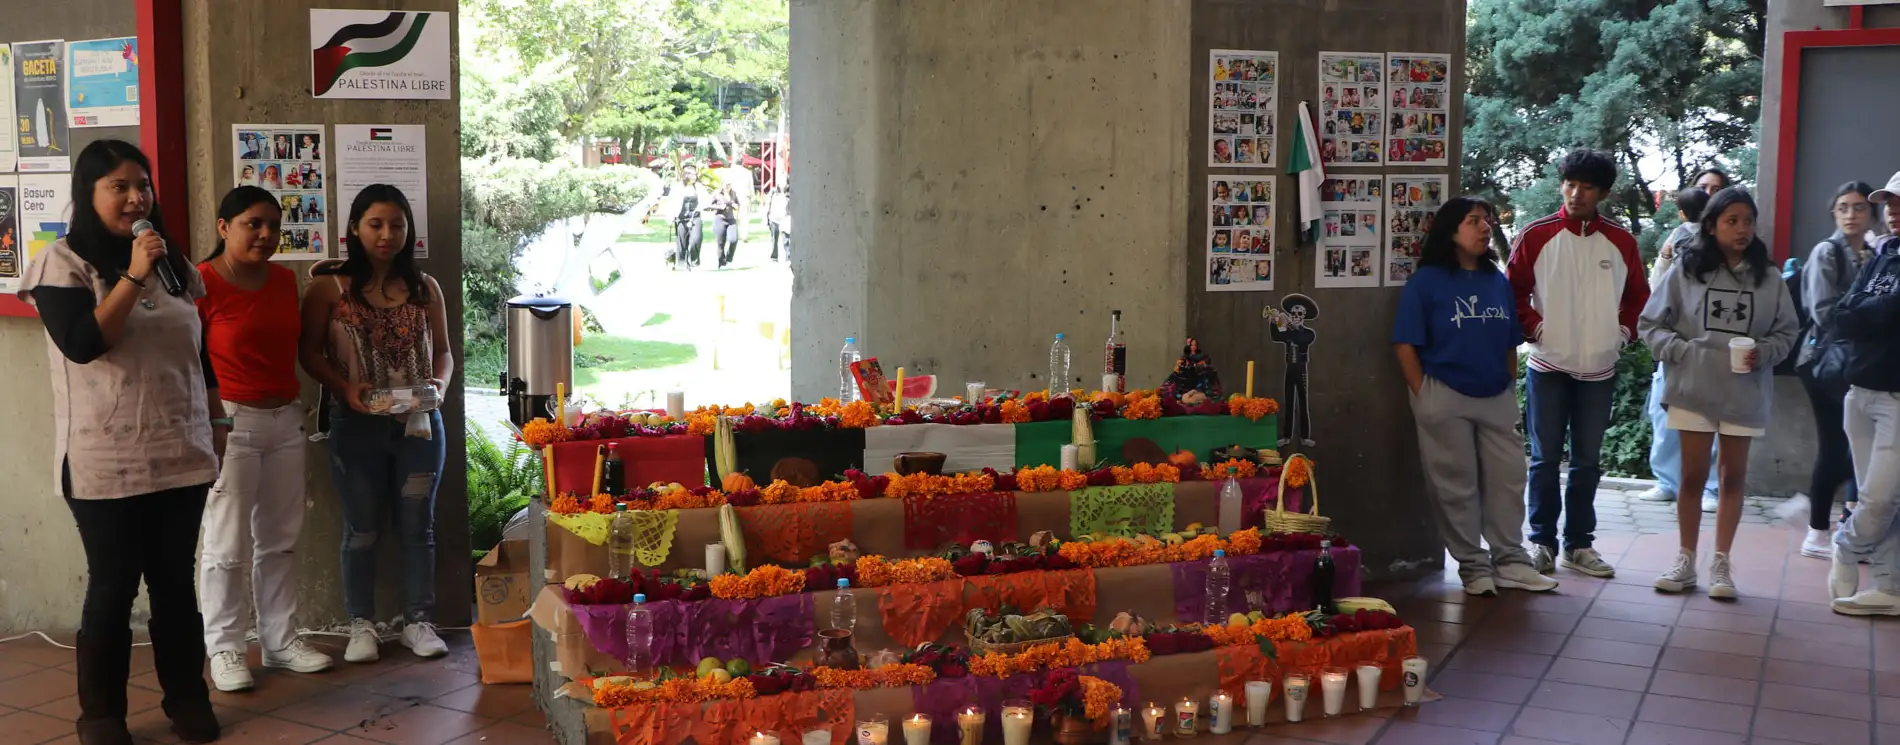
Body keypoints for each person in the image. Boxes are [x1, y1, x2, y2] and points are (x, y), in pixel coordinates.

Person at [17, 139, 225, 744]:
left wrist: (218, 423)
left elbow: (197, 351)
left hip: (182, 450)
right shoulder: (62, 263)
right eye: (119, 187)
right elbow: (84, 342)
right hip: (106, 458)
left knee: (174, 584)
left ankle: (187, 698)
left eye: (144, 185)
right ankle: (101, 715)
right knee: (112, 587)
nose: (137, 198)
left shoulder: (175, 264)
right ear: (89, 194)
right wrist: (133, 274)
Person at [298, 184, 454, 662]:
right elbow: (308, 352)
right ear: (354, 228)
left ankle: (417, 622)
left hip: (419, 429)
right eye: (375, 224)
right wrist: (345, 388)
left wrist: (440, 387)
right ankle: (360, 625)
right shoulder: (329, 287)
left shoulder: (426, 288)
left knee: (417, 526)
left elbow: (444, 352)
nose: (387, 235)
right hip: (357, 426)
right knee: (361, 528)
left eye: (397, 225)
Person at [194, 186, 334, 691]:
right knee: (225, 544)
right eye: (253, 224)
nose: (265, 235)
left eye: (273, 226)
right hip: (231, 422)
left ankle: (278, 641)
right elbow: (192, 361)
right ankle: (226, 649)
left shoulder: (281, 280)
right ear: (224, 227)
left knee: (279, 541)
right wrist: (212, 423)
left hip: (285, 419)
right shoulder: (202, 282)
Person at [1394, 197, 1558, 596]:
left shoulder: (1496, 279)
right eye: (1474, 221)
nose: (1485, 228)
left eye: (1486, 221)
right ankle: (1472, 567)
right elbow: (1404, 343)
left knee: (1508, 480)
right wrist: (1424, 395)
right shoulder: (1426, 282)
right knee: (1456, 485)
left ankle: (1511, 562)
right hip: (1444, 395)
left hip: (1496, 395)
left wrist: (1507, 382)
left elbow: (1509, 342)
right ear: (1451, 231)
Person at [1642, 187, 1799, 598]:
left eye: (1748, 220)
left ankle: (1721, 564)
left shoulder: (1769, 276)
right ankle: (1685, 560)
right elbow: (1651, 324)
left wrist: (1763, 352)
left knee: (1732, 478)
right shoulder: (1686, 269)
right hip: (1693, 388)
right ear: (1711, 226)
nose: (1742, 228)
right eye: (1732, 220)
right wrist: (1680, 352)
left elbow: (1787, 331)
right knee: (1691, 477)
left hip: (1743, 393)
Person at [1507, 148, 1649, 578]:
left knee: (1588, 461)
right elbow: (1512, 293)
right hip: (1548, 365)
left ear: (1602, 192)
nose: (1576, 193)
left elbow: (1639, 297)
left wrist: (1621, 333)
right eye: (1570, 183)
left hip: (1599, 370)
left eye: (1587, 186)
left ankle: (1579, 545)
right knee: (1545, 459)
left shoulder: (1621, 241)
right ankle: (1541, 543)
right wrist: (1538, 330)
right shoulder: (1535, 235)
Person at [1828, 171, 1900, 615]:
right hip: (1859, 392)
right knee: (1882, 499)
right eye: (1889, 203)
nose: (1893, 212)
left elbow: (1878, 310)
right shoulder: (1883, 254)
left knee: (1878, 497)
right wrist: (1873, 313)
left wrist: (1868, 313)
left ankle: (1845, 546)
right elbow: (1842, 313)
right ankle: (1890, 588)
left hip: (1896, 398)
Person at [1798, 182, 1877, 559]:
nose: (1851, 215)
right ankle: (1816, 530)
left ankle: (1846, 522)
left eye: (1859, 207)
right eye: (1843, 207)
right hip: (1825, 363)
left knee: (1858, 446)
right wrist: (1873, 318)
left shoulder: (1875, 253)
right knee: (1835, 445)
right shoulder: (1827, 252)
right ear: (1833, 213)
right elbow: (1823, 312)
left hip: (1860, 364)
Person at [1640, 188, 1722, 511]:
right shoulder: (1677, 239)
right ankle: (1668, 482)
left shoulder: (1723, 243)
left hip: (1713, 343)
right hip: (1675, 339)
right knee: (1664, 413)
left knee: (1713, 416)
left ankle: (1712, 488)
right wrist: (1663, 256)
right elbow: (1658, 289)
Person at [710, 178, 742, 269]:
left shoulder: (733, 193)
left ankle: (729, 259)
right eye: (726, 184)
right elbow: (708, 206)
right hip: (720, 219)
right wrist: (719, 207)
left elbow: (737, 203)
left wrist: (736, 206)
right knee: (721, 243)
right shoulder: (717, 193)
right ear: (722, 185)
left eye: (730, 184)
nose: (728, 186)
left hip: (731, 219)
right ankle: (722, 263)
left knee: (733, 240)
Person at [767, 187, 789, 262]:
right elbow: (768, 203)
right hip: (774, 218)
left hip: (784, 218)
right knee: (774, 239)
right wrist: (767, 216)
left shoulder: (789, 192)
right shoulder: (773, 192)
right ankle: (774, 257)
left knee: (786, 239)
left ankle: (788, 258)